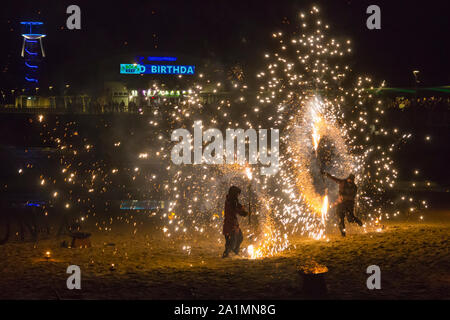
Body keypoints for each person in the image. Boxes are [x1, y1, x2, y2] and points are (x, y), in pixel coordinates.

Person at [322, 171, 362, 237]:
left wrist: (344, 197)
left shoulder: (355, 187)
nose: (350, 181)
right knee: (340, 219)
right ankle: (343, 234)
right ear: (348, 179)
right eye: (349, 180)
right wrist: (326, 174)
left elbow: (352, 197)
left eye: (352, 180)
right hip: (340, 204)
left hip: (349, 204)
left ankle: (357, 221)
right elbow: (334, 178)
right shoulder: (343, 182)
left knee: (350, 219)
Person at [222, 186, 248, 258]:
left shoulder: (231, 200)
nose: (238, 195)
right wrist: (243, 213)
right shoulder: (231, 201)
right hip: (230, 223)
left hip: (231, 222)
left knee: (238, 237)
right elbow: (236, 209)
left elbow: (238, 206)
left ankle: (233, 252)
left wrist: (242, 208)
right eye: (237, 194)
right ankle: (228, 253)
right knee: (232, 240)